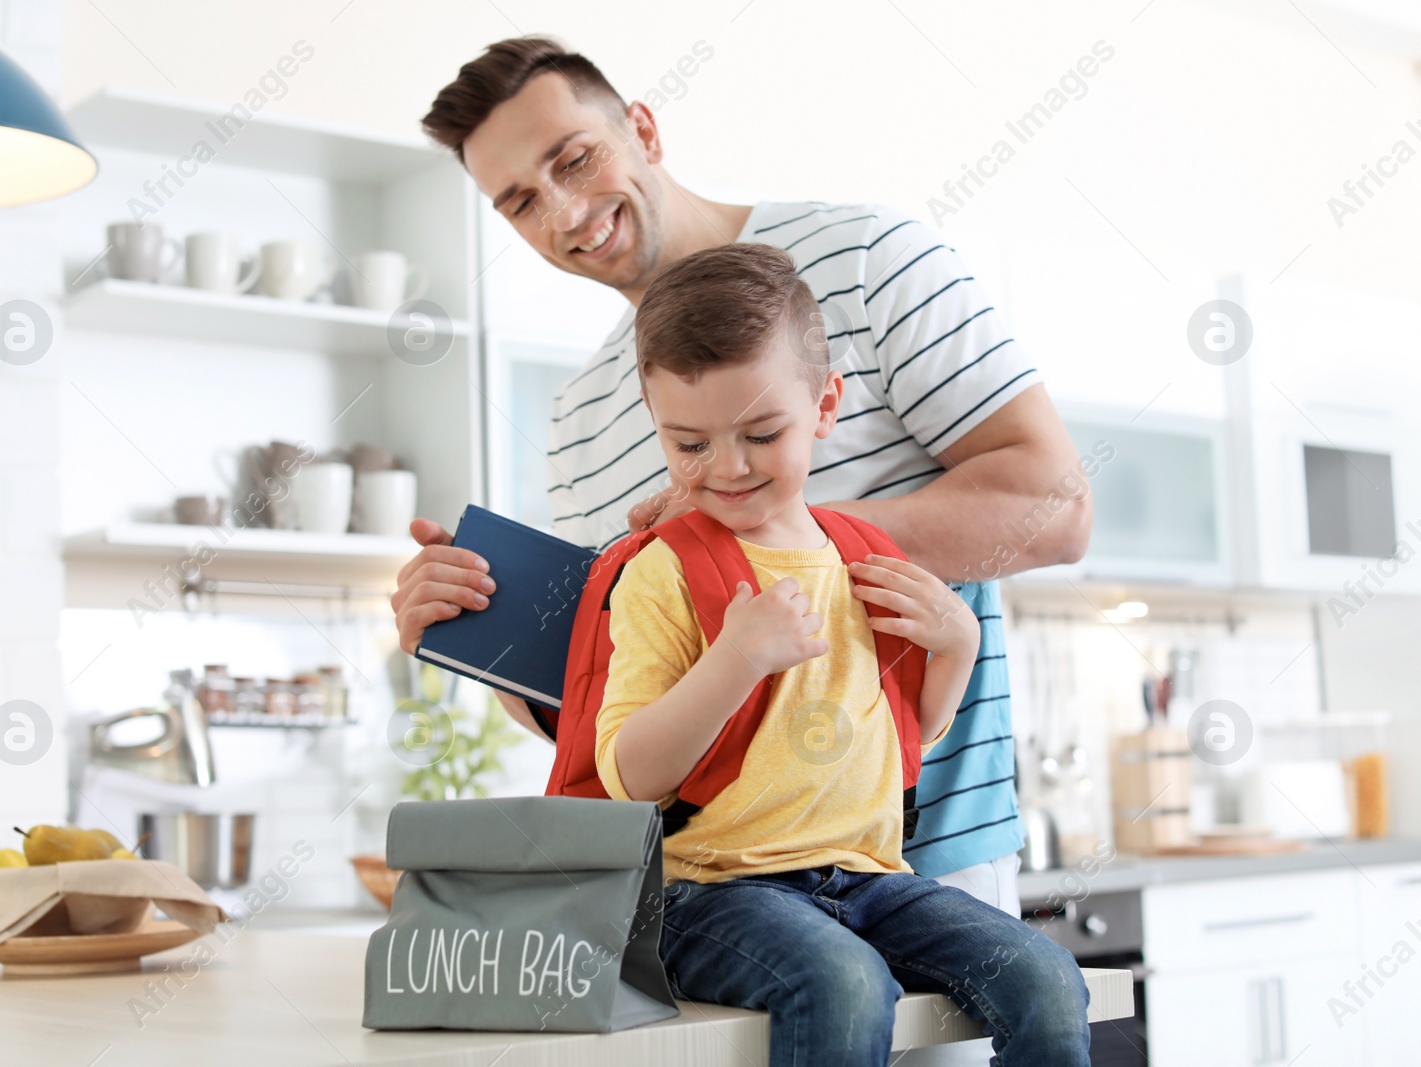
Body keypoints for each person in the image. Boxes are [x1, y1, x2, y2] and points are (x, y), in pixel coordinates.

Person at [392, 37, 1091, 924]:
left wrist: (760, 527)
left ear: (644, 127)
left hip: (924, 854)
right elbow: (607, 718)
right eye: (522, 202)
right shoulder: (576, 419)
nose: (565, 213)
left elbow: (1059, 508)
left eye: (575, 159)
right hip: (715, 895)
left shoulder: (871, 259)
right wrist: (478, 637)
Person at [588, 239, 1089, 1064]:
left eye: (761, 432)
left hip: (867, 879)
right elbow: (632, 773)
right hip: (711, 893)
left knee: (1044, 976)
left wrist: (957, 648)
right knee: (844, 983)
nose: (729, 466)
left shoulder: (861, 553)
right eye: (690, 444)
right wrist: (736, 658)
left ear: (825, 407)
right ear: (657, 425)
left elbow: (904, 741)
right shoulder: (664, 572)